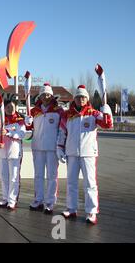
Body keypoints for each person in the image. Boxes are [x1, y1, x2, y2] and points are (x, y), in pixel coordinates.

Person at [57, 85, 113, 225]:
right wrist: (59, 147)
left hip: (88, 153)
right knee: (71, 183)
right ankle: (71, 208)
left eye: (83, 97)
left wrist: (106, 111)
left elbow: (107, 125)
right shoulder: (67, 115)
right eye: (78, 97)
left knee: (90, 183)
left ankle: (91, 211)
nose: (80, 99)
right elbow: (62, 133)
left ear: (86, 99)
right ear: (74, 99)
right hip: (72, 153)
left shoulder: (93, 114)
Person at [25, 83, 64, 214]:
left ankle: (50, 202)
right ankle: (38, 200)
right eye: (43, 94)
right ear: (40, 96)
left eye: (48, 94)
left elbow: (62, 129)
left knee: (52, 176)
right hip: (37, 147)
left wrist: (60, 146)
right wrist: (27, 122)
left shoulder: (58, 110)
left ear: (51, 95)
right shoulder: (34, 111)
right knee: (38, 175)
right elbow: (28, 128)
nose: (45, 97)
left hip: (52, 148)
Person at [0, 99, 26, 210]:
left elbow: (22, 134)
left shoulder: (19, 120)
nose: (10, 109)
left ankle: (12, 200)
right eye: (7, 107)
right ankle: (5, 198)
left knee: (13, 177)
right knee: (4, 176)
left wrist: (8, 133)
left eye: (12, 107)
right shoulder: (0, 121)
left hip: (14, 152)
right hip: (2, 152)